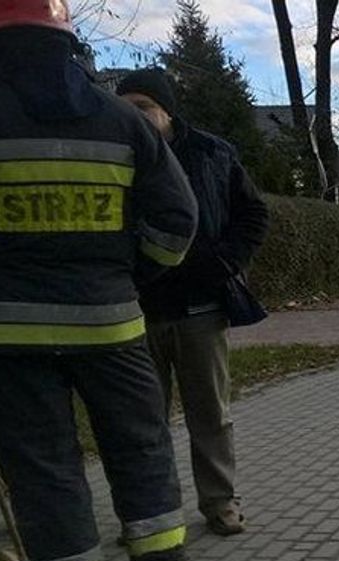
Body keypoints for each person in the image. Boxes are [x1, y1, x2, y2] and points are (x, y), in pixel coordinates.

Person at [0, 0, 211, 561]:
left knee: (43, 468)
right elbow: (177, 220)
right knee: (140, 449)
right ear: (62, 33)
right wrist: (127, 276)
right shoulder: (121, 118)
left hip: (8, 336)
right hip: (112, 325)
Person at [116, 69, 270, 537]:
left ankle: (220, 503)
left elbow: (253, 212)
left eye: (142, 107)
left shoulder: (212, 153)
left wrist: (226, 260)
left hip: (201, 308)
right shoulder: (112, 156)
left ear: (166, 110)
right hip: (135, 311)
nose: (133, 117)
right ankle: (148, 515)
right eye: (125, 107)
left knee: (211, 416)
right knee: (142, 425)